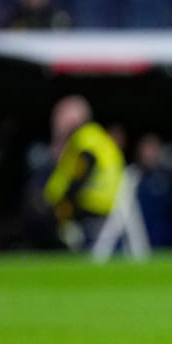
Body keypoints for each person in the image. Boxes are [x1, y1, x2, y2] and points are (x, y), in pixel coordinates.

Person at [42, 94, 124, 250]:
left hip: (94, 201)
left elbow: (82, 172)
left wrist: (65, 198)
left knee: (46, 214)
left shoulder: (84, 138)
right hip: (108, 200)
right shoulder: (96, 135)